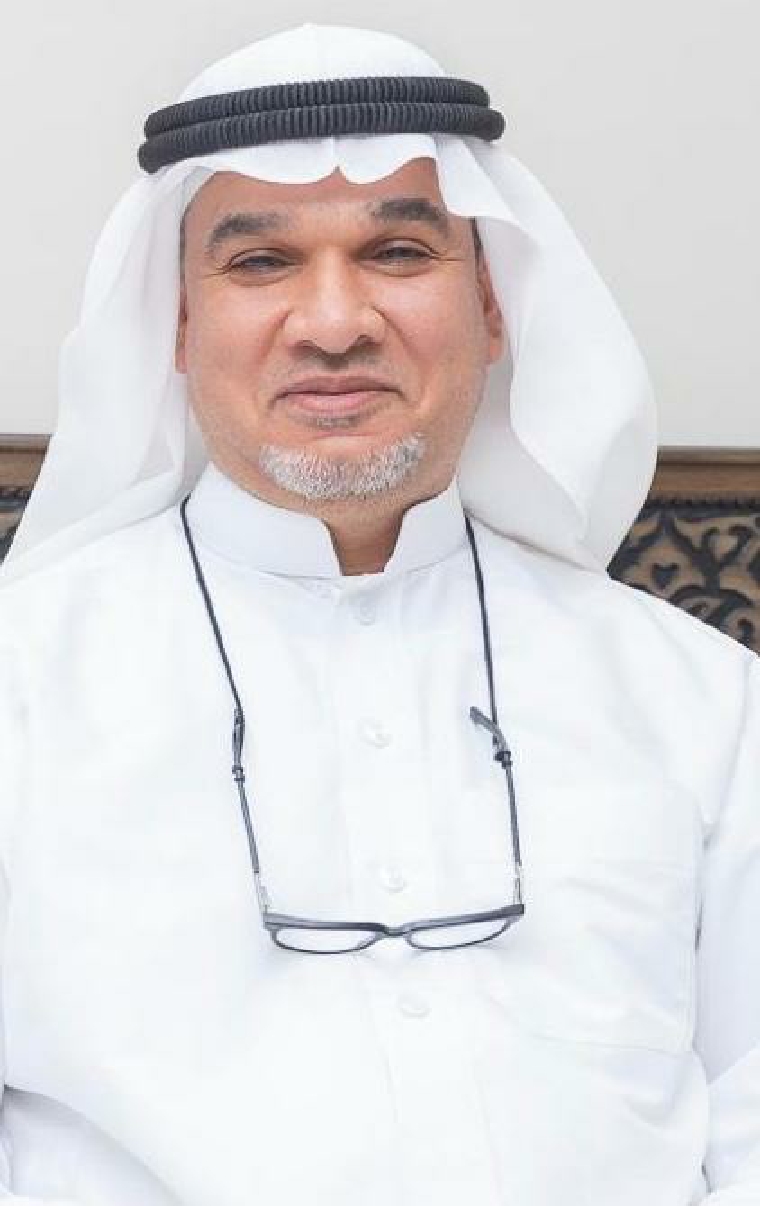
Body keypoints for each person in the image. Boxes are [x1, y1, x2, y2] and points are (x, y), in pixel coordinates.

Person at [0, 20, 757, 1206]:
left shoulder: (698, 700)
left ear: (493, 307)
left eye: (398, 251)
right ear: (178, 326)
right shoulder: (23, 685)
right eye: (261, 263)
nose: (334, 321)